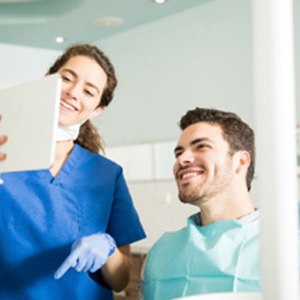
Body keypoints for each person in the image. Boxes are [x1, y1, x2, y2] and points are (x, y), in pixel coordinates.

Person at [0, 43, 146, 300]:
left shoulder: (106, 174)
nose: (73, 93)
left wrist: (108, 249)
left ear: (97, 109)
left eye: (89, 91)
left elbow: (121, 280)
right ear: (48, 78)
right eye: (66, 78)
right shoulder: (5, 154)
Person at [142, 107, 259, 299]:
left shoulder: (284, 246)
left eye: (201, 146)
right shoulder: (162, 252)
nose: (182, 159)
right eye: (178, 152)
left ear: (240, 162)